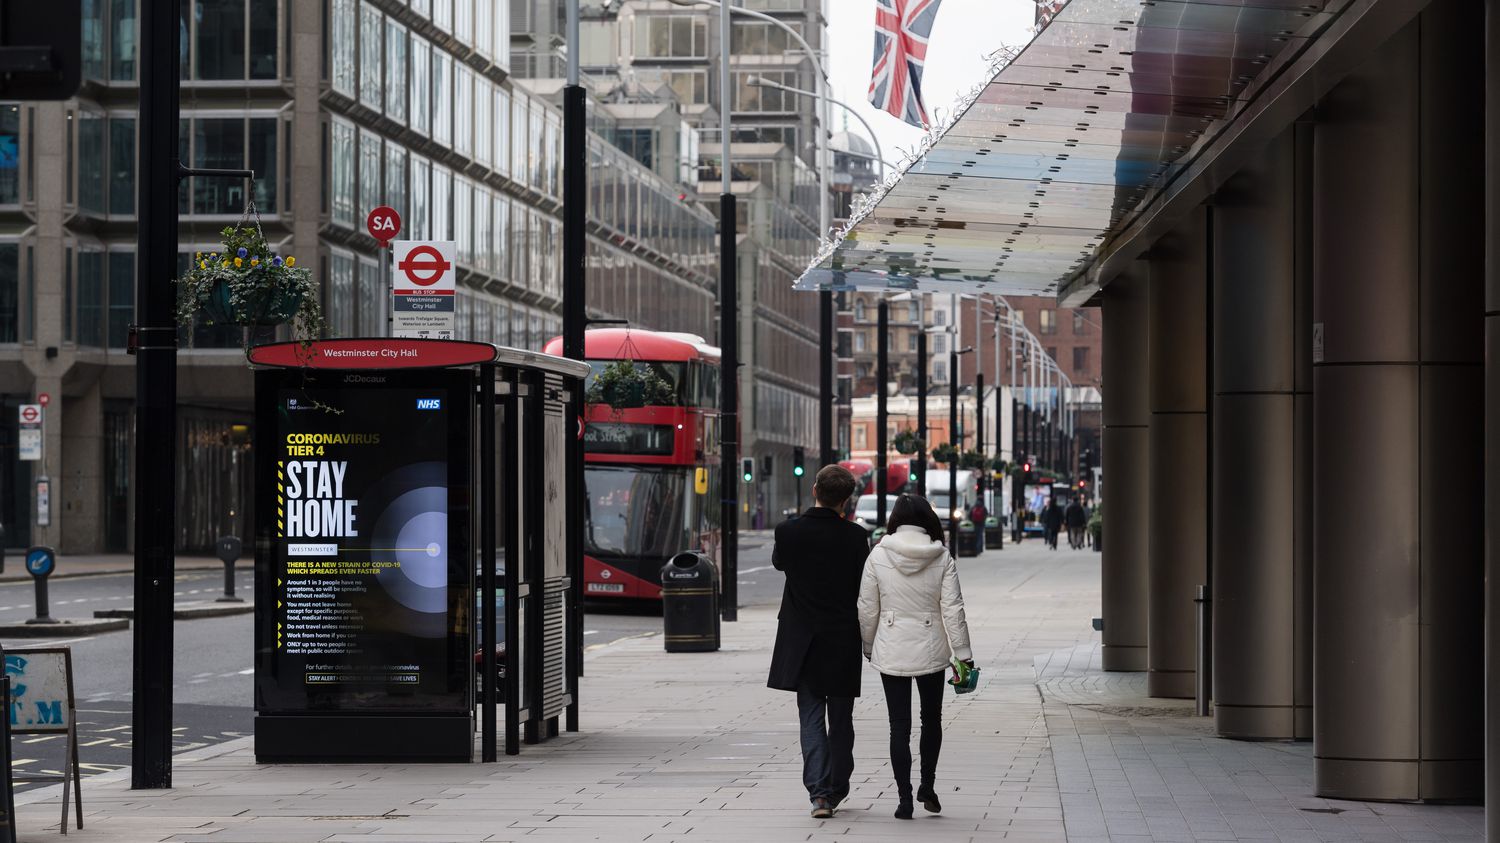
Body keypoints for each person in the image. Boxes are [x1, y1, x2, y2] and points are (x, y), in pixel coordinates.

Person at [858, 494, 974, 820]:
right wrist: (963, 654)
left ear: (895, 520)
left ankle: (904, 799)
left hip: (891, 644)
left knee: (899, 725)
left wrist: (868, 644)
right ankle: (928, 785)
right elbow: (953, 609)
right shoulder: (942, 556)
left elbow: (867, 607)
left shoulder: (878, 555)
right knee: (931, 719)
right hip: (931, 646)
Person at [767, 464, 870, 819]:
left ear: (815, 490)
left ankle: (820, 794)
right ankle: (838, 785)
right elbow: (862, 585)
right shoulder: (855, 537)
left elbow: (780, 563)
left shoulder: (788, 532)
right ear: (847, 499)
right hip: (841, 638)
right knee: (841, 719)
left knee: (810, 716)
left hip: (802, 640)